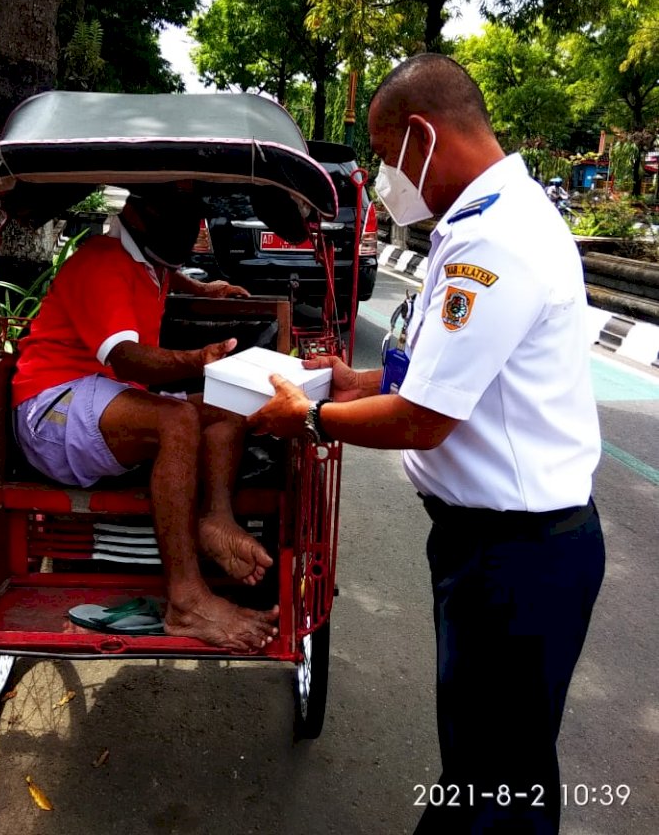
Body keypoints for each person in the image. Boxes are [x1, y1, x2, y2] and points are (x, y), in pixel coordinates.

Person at [249, 53, 605, 833]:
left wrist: (306, 418)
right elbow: (432, 375)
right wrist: (353, 383)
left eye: (383, 157)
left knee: (494, 784)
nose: (383, 178)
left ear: (419, 136)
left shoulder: (494, 244)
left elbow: (426, 418)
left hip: (518, 559)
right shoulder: (484, 221)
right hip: (502, 551)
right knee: (493, 768)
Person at [12, 186, 279, 653]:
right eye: (182, 215)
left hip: (101, 404)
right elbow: (128, 360)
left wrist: (200, 289)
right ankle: (187, 602)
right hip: (51, 409)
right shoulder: (101, 259)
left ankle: (216, 520)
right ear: (138, 212)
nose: (191, 226)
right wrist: (200, 359)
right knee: (176, 419)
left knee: (233, 406)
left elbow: (161, 278)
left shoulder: (148, 262)